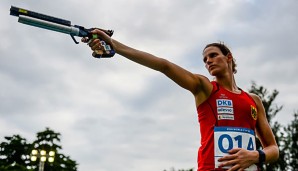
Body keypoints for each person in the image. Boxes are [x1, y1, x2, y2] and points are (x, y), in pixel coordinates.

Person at [82, 29, 279, 171]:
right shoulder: (205, 88)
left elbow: (273, 149)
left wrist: (256, 155)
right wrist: (115, 46)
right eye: (204, 59)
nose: (208, 61)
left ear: (228, 57)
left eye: (213, 55)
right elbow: (164, 66)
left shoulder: (253, 100)